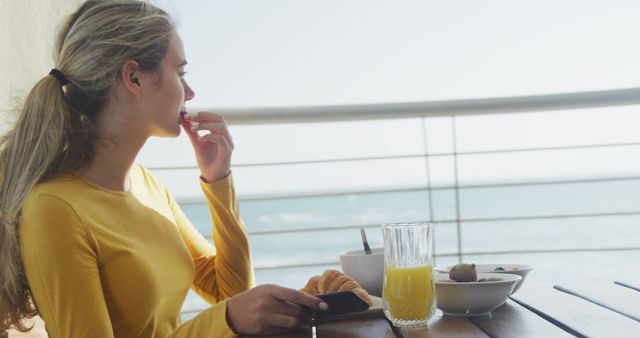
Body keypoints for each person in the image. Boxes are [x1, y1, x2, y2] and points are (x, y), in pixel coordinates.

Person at [0, 1, 327, 337]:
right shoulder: (55, 209)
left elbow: (230, 292)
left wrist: (218, 182)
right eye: (181, 73)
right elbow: (230, 311)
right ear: (134, 77)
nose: (190, 92)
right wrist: (225, 320)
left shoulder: (145, 185)